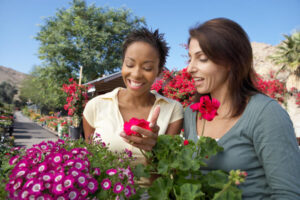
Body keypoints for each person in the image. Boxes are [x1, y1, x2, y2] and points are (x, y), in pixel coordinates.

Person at [183, 18, 300, 199]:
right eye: (190, 58)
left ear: (230, 61)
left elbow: (288, 193)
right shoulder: (190, 114)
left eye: (202, 59)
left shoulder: (266, 114)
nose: (190, 68)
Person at [83, 27, 183, 164]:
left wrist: (156, 148)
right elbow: (89, 162)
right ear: (123, 64)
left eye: (147, 68)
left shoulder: (173, 109)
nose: (136, 74)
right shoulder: (95, 106)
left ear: (159, 71)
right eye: (129, 64)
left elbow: (168, 171)